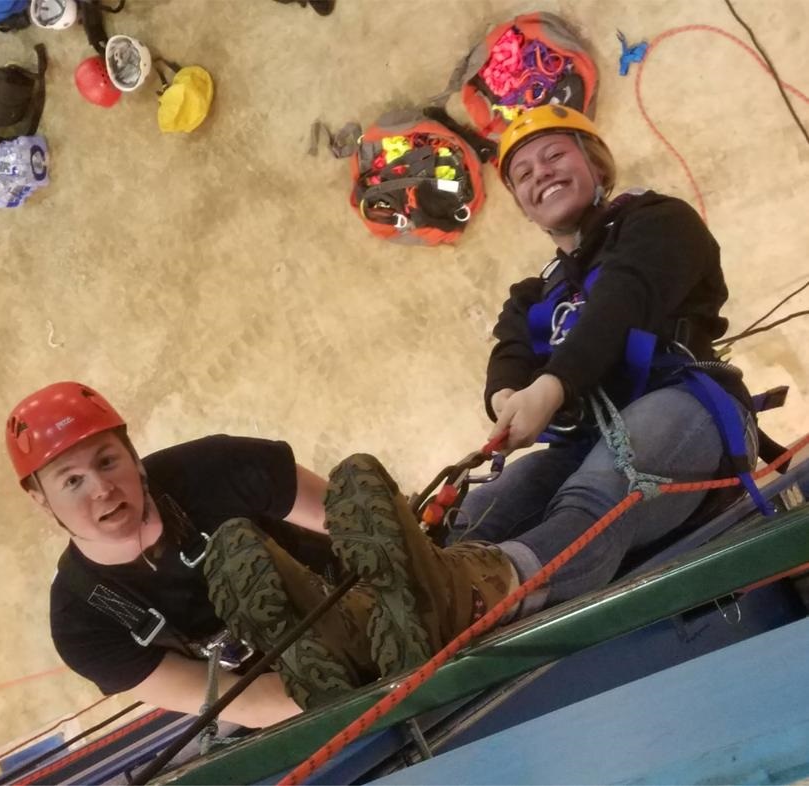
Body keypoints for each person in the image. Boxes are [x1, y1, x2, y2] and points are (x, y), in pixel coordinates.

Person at [321, 103, 762, 674]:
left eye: (554, 155)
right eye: (523, 174)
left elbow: (622, 303)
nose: (541, 174)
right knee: (481, 509)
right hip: (583, 443)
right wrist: (507, 398)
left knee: (602, 485)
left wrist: (551, 390)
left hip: (687, 412)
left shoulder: (659, 221)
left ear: (596, 165)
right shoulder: (533, 294)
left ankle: (483, 590)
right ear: (524, 207)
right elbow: (509, 354)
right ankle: (366, 624)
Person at [5, 381, 378, 728]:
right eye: (72, 481)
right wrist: (360, 693)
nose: (102, 489)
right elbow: (247, 704)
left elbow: (360, 529)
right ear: (41, 499)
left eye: (107, 461)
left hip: (365, 600)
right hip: (292, 689)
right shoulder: (84, 625)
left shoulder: (217, 468)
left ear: (133, 456)